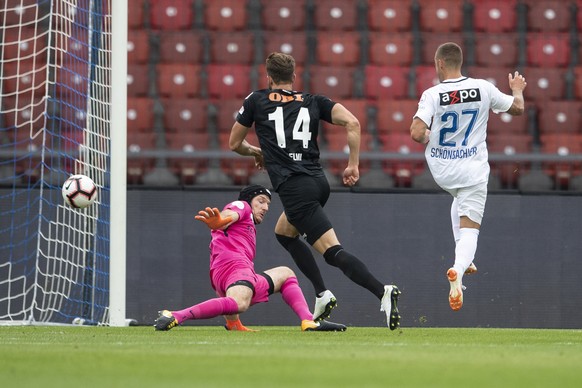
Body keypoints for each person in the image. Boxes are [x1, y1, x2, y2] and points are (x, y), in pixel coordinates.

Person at [228, 52, 401, 330]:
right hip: (318, 183)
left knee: (333, 252)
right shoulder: (313, 101)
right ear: (294, 77)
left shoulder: (256, 100)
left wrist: (256, 152)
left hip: (295, 189)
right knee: (284, 233)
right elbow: (353, 123)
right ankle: (322, 294)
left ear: (268, 77)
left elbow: (234, 143)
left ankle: (382, 292)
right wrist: (352, 165)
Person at [410, 42, 527, 311]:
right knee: (470, 228)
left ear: (440, 63)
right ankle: (458, 269)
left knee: (457, 198)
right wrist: (517, 90)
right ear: (459, 62)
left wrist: (428, 136)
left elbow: (417, 133)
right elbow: (517, 109)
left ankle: (465, 259)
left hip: (442, 170)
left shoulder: (432, 94)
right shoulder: (483, 88)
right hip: (472, 170)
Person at [154, 184, 347, 332]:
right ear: (250, 200)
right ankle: (175, 315)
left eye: (268, 204)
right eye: (261, 201)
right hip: (234, 267)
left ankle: (307, 321)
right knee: (240, 302)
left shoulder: (247, 225)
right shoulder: (243, 206)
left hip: (229, 273)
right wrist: (220, 220)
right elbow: (232, 212)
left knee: (286, 274)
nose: (265, 207)